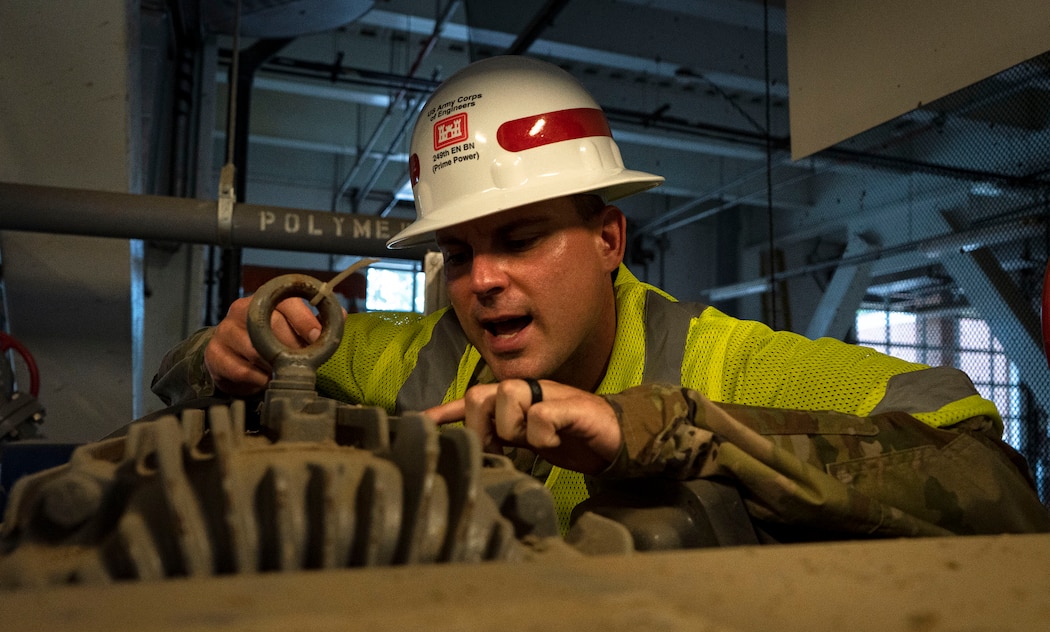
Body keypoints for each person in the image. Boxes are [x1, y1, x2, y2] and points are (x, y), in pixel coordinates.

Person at [154, 55, 1050, 538]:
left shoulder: (721, 361)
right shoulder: (417, 356)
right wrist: (223, 352)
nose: (483, 281)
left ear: (609, 240)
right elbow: (182, 379)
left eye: (521, 238)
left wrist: (656, 430)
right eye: (457, 254)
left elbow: (993, 479)